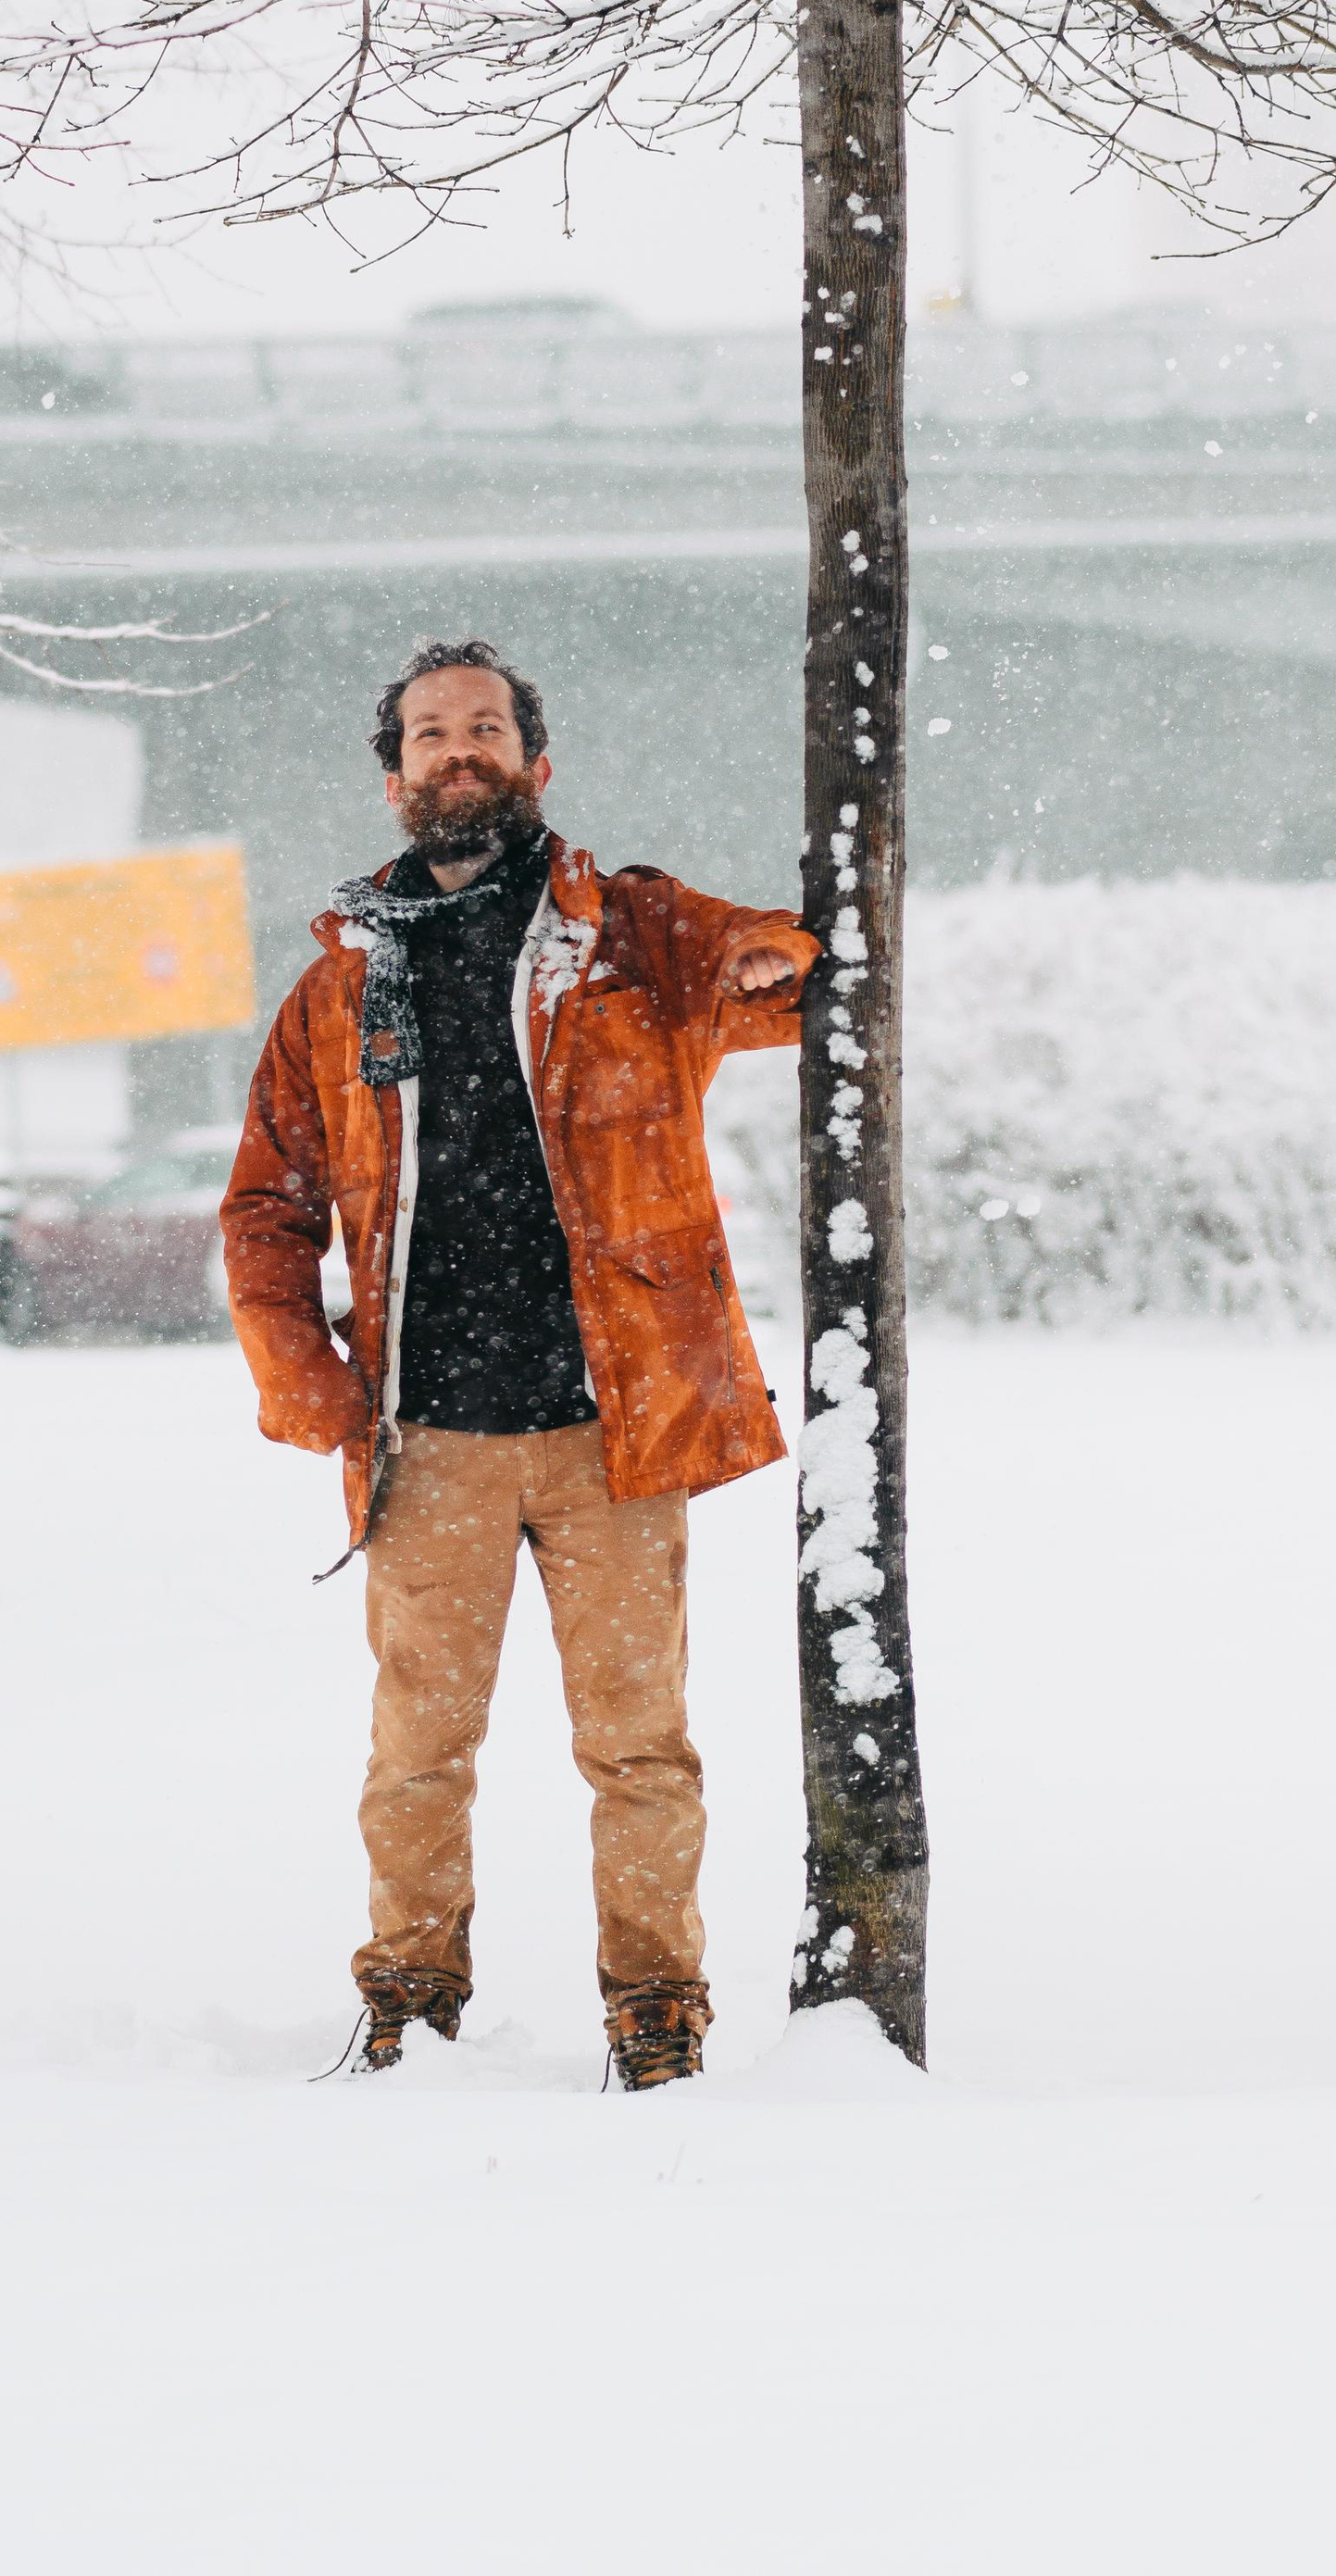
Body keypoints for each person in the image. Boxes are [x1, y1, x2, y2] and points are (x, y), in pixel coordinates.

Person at [221, 637, 814, 2091]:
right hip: (426, 1444)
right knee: (417, 1751)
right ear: (396, 776)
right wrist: (305, 1381)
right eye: (432, 734)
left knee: (638, 1747)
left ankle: (656, 2009)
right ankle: (412, 1998)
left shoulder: (633, 934)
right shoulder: (336, 990)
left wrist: (766, 958)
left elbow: (788, 973)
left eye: (486, 727)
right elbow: (266, 1208)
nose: (459, 750)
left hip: (618, 1428)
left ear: (536, 765)